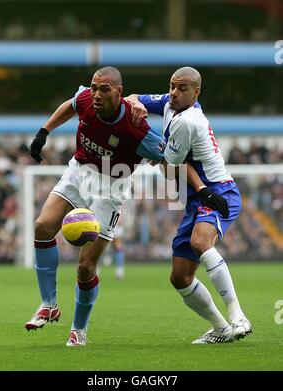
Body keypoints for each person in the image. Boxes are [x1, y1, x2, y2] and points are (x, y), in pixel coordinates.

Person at [26, 66, 229, 347]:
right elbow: (70, 105)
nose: (95, 94)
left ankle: (78, 330)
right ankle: (48, 303)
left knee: (86, 267)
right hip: (79, 173)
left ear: (118, 92)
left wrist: (202, 189)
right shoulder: (86, 99)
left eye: (104, 90)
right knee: (42, 227)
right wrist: (43, 131)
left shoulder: (138, 130)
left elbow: (173, 161)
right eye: (94, 88)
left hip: (111, 187)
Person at [126, 66, 252, 344]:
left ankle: (238, 315)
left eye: (182, 88)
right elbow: (133, 97)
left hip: (218, 192)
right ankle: (221, 328)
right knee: (180, 277)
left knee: (200, 242)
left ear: (196, 93)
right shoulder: (170, 103)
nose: (174, 92)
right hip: (198, 197)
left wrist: (147, 144)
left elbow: (171, 166)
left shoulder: (188, 120)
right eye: (172, 85)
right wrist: (135, 106)